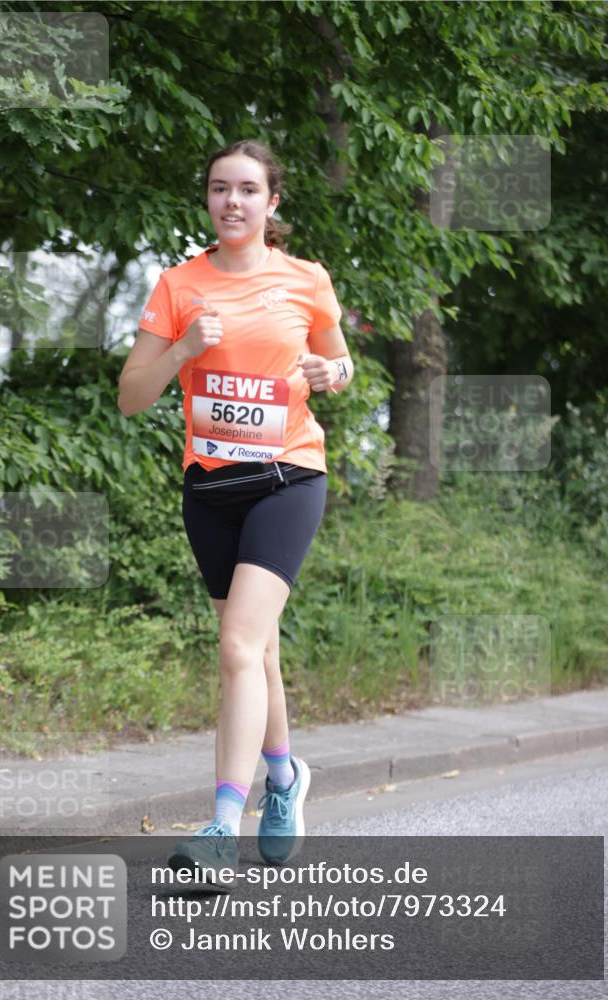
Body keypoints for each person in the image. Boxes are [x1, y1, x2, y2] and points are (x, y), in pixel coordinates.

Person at [117, 139, 353, 883]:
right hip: (211, 489)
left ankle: (222, 824)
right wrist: (182, 347)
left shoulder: (305, 280)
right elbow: (130, 398)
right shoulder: (178, 285)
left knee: (235, 648)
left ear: (271, 201)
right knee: (259, 652)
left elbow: (339, 366)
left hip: (289, 477)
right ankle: (284, 782)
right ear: (208, 198)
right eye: (220, 188)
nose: (232, 202)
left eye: (248, 190)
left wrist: (330, 371)